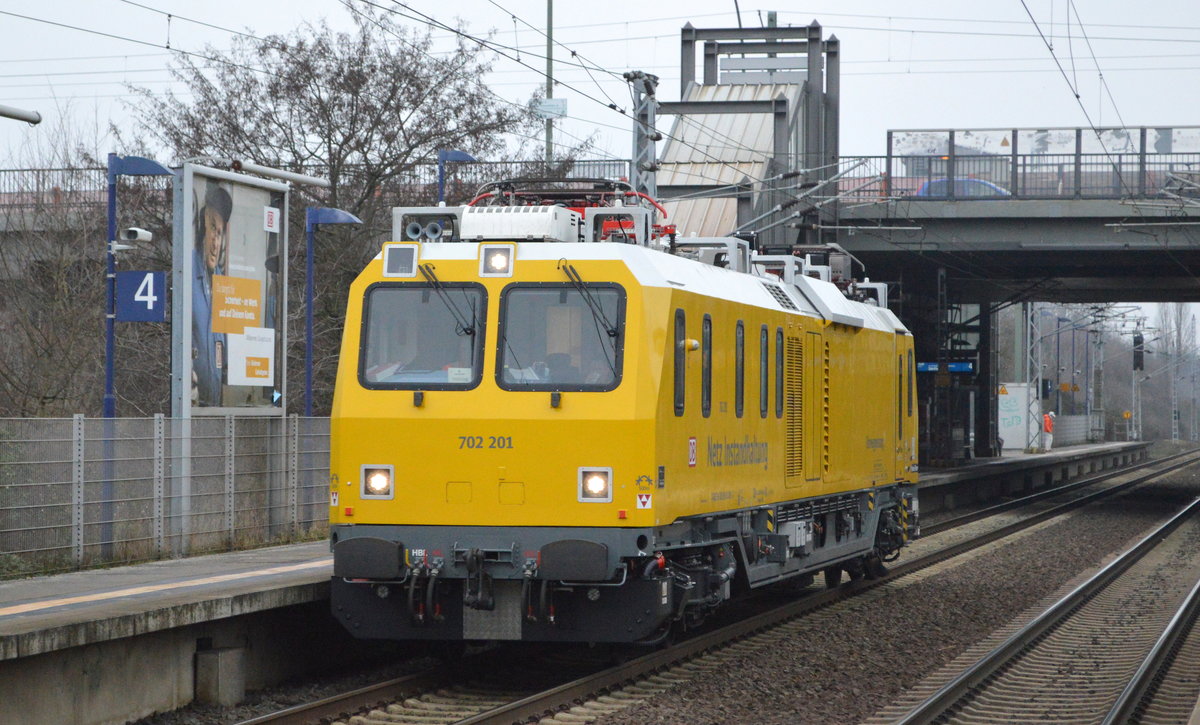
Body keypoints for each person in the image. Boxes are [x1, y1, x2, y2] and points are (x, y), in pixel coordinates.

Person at [192, 183, 232, 406]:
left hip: (216, 407)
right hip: (193, 408)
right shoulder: (187, 270)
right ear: (201, 229)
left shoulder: (222, 283)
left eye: (219, 233)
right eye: (212, 229)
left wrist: (276, 398)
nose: (216, 242)